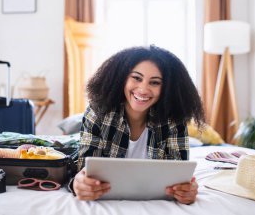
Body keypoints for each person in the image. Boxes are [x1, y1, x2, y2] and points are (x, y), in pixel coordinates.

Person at [69, 45, 205, 204]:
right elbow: (83, 172)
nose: (143, 89)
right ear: (122, 78)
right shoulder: (98, 112)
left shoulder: (174, 119)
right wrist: (78, 184)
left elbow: (180, 177)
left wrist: (186, 191)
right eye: (136, 78)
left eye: (154, 83)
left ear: (167, 88)